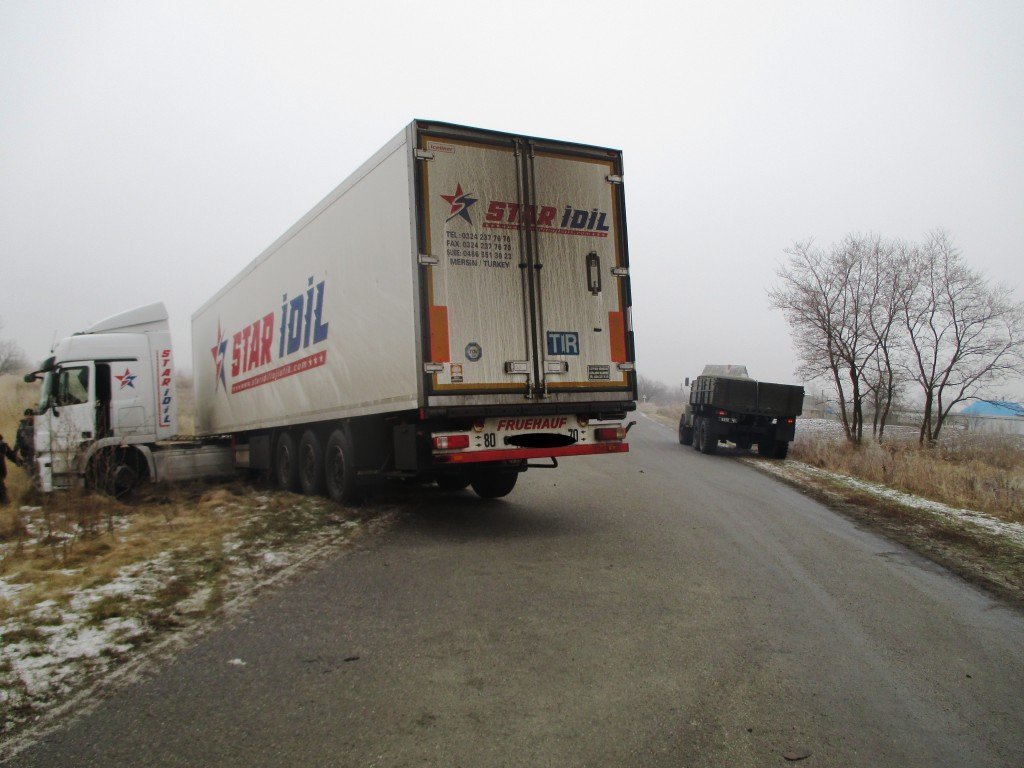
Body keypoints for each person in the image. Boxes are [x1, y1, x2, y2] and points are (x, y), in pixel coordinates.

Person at [0, 433, 22, 505]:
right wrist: (19, 462)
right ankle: (5, 503)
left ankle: (4, 503)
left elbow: (11, 455)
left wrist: (19, 462)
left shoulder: (2, 445)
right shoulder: (2, 445)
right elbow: (11, 455)